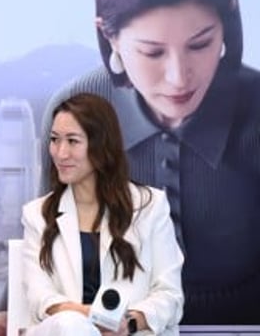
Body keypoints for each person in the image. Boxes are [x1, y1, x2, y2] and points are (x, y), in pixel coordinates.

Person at [0, 0, 260, 334]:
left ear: (228, 23)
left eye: (200, 44)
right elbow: (49, 239)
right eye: (151, 51)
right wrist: (11, 314)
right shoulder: (74, 110)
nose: (178, 77)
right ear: (109, 37)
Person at [22, 93, 183, 336]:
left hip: (128, 332)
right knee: (71, 326)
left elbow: (169, 294)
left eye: (73, 141)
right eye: (55, 140)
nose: (60, 153)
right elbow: (40, 297)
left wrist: (127, 324)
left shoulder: (150, 207)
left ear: (101, 145)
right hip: (64, 331)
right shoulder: (38, 215)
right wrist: (94, 320)